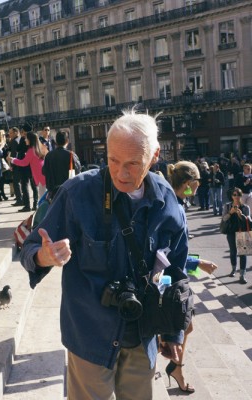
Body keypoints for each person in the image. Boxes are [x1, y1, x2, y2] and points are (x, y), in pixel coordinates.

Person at [21, 110, 189, 399]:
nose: (121, 174)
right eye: (113, 160)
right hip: (90, 335)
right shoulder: (78, 192)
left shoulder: (166, 199)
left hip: (141, 334)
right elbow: (30, 249)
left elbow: (176, 267)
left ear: (155, 155)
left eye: (133, 164)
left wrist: (174, 331)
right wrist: (44, 257)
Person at [164, 161, 219, 393]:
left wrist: (200, 263)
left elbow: (177, 252)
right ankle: (174, 367)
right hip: (170, 282)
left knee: (185, 329)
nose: (198, 188)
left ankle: (175, 367)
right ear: (187, 184)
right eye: (197, 184)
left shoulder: (176, 204)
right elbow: (172, 256)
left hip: (173, 279)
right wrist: (198, 263)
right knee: (179, 330)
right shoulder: (173, 209)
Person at [8, 131, 46, 205]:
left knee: (43, 200)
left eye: (26, 138)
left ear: (30, 140)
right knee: (43, 198)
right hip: (43, 175)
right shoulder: (39, 147)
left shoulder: (31, 150)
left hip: (41, 177)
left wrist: (12, 160)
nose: (25, 140)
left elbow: (24, 163)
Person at [221, 186, 250, 284]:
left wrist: (241, 215)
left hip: (242, 232)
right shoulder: (228, 206)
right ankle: (233, 269)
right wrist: (230, 212)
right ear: (232, 196)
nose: (236, 197)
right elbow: (224, 219)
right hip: (231, 232)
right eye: (234, 195)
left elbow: (249, 221)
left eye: (238, 195)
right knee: (233, 251)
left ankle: (242, 274)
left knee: (243, 253)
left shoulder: (245, 207)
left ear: (241, 196)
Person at [42, 130, 81, 199]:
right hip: (68, 191)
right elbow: (78, 171)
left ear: (56, 142)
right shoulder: (71, 155)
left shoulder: (49, 156)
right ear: (67, 141)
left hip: (53, 193)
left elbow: (44, 171)